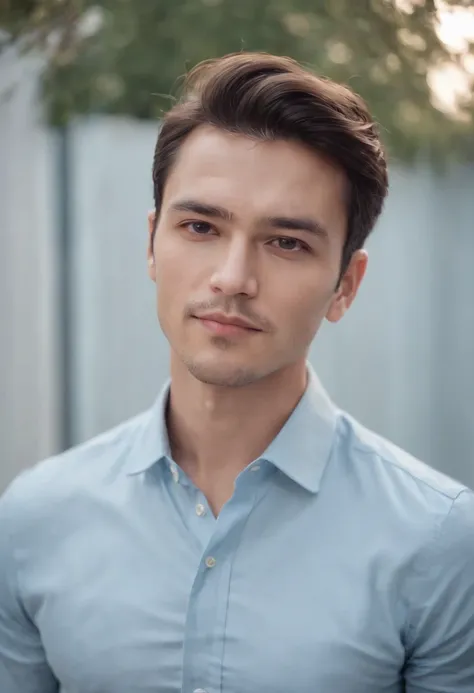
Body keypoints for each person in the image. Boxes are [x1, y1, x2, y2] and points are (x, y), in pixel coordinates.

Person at [1, 52, 473, 693]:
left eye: (287, 242)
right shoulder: (32, 520)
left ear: (345, 286)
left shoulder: (441, 542)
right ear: (150, 244)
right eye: (200, 226)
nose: (232, 277)